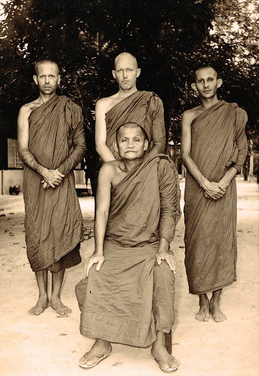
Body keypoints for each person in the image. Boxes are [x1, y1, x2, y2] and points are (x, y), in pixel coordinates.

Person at [75, 122, 181, 372]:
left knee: (163, 275)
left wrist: (164, 248)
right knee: (96, 276)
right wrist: (98, 251)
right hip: (116, 243)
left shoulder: (160, 167)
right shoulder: (108, 170)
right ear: (116, 145)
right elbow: (101, 211)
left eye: (136, 140)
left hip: (150, 244)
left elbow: (169, 210)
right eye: (124, 140)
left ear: (146, 145)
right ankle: (102, 342)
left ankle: (158, 345)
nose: (130, 144)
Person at [17, 59, 85, 316]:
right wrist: (44, 171)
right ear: (36, 80)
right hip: (36, 180)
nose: (47, 81)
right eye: (42, 76)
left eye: (52, 76)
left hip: (61, 179)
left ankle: (56, 297)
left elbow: (80, 147)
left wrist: (59, 172)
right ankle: (41, 296)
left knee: (60, 233)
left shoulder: (71, 109)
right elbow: (23, 149)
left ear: (59, 79)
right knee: (36, 233)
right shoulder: (27, 110)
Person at [181, 66, 248, 322]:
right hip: (198, 187)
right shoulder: (189, 116)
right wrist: (204, 182)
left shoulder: (234, 114)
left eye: (210, 80)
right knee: (197, 242)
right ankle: (202, 300)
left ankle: (217, 302)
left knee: (221, 240)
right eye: (200, 81)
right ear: (194, 87)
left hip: (224, 187)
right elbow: (185, 155)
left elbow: (241, 151)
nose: (206, 84)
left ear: (218, 82)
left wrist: (222, 182)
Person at [95, 52, 166, 162]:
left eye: (129, 70)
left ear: (138, 72)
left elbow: (159, 143)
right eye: (120, 70)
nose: (125, 75)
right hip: (112, 170)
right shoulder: (103, 104)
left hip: (144, 172)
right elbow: (100, 145)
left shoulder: (151, 101)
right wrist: (118, 172)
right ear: (114, 74)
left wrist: (141, 171)